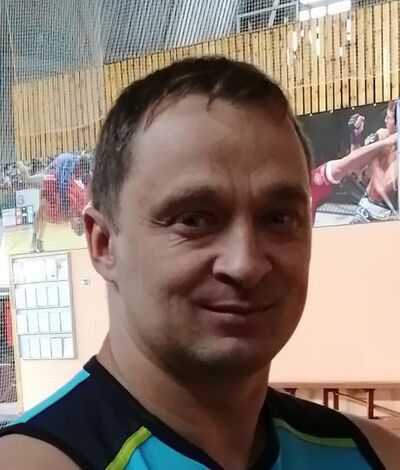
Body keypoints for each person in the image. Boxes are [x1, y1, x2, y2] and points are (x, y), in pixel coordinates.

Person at [0, 58, 398, 469]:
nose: (246, 264)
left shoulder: (374, 456)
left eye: (278, 218)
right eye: (193, 220)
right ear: (103, 244)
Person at [311, 131, 398, 222]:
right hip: (371, 206)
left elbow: (348, 164)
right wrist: (357, 137)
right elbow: (354, 167)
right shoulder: (382, 136)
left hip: (381, 208)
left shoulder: (312, 182)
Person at [17, 152, 91, 252]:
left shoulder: (73, 212)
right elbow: (63, 183)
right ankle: (17, 162)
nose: (79, 175)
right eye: (78, 225)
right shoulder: (70, 163)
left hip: (57, 188)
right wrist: (63, 206)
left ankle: (38, 241)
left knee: (44, 214)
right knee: (29, 181)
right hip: (53, 178)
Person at [351, 100, 398, 223]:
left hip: (386, 215)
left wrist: (376, 159)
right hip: (366, 205)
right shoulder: (382, 135)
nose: (385, 121)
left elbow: (382, 189)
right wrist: (356, 137)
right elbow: (355, 165)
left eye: (389, 118)